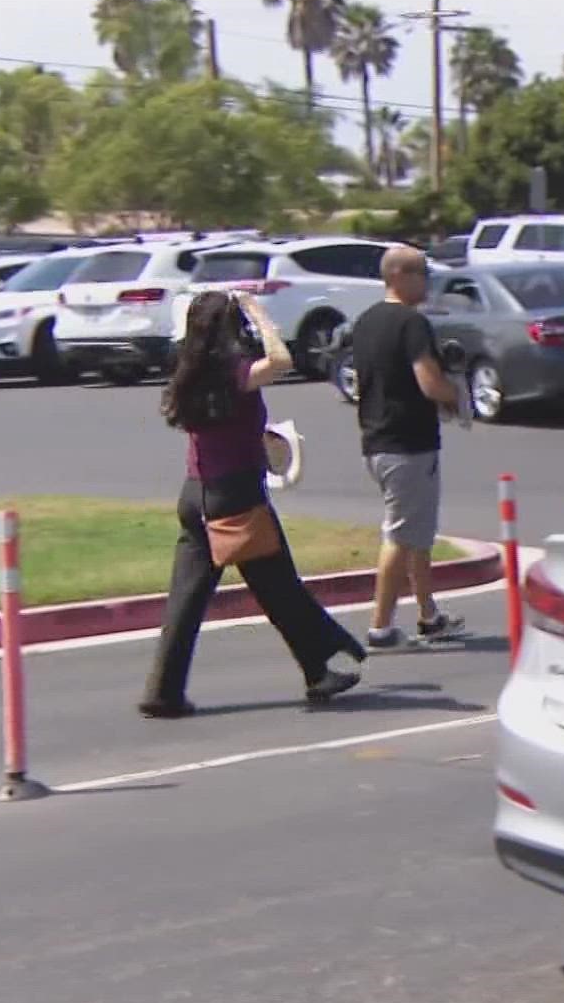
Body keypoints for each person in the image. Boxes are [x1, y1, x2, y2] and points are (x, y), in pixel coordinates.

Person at [139, 292, 364, 718]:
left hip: (196, 494)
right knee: (281, 587)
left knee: (188, 599)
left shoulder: (188, 370)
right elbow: (281, 362)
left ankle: (162, 691)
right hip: (235, 498)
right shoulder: (232, 372)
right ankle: (319, 669)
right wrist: (259, 314)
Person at [351, 246, 466, 650]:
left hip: (376, 441)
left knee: (417, 533)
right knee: (401, 536)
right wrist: (456, 395)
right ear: (398, 275)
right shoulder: (411, 323)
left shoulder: (364, 322)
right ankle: (380, 627)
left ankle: (428, 615)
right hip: (408, 445)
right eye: (421, 273)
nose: (427, 282)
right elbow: (429, 383)